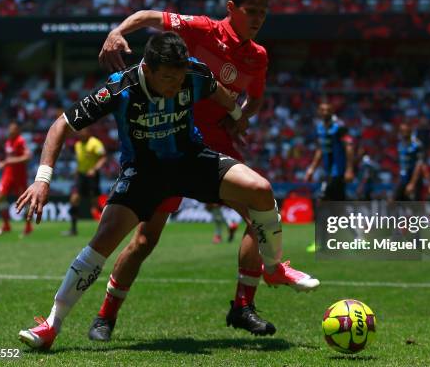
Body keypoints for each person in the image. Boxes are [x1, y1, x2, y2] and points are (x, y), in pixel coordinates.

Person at [16, 32, 319, 350]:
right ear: (147, 69)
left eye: (179, 78)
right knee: (104, 241)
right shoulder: (120, 88)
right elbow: (60, 125)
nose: (176, 85)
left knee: (260, 189)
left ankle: (272, 268)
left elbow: (219, 92)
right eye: (168, 79)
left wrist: (237, 117)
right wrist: (43, 179)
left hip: (191, 160)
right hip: (144, 173)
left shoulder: (194, 73)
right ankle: (52, 324)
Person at [90, 0, 316, 341]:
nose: (259, 18)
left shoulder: (257, 56)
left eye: (263, 12)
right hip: (172, 142)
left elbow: (254, 100)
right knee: (145, 241)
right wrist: (117, 31)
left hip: (218, 147)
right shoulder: (201, 29)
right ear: (231, 8)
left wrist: (240, 116)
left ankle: (243, 307)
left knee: (260, 215)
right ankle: (106, 316)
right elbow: (148, 16)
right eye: (251, 11)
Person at [304, 100, 355, 252]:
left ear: (332, 111)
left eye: (328, 110)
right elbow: (321, 149)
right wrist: (312, 168)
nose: (325, 112)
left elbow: (349, 147)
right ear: (319, 112)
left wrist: (349, 169)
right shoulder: (320, 127)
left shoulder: (339, 127)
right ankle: (358, 237)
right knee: (340, 208)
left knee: (321, 202)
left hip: (337, 173)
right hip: (328, 172)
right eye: (322, 110)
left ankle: (321, 242)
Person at [64, 128, 107, 236]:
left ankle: (105, 229)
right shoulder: (77, 145)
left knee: (95, 204)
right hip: (81, 176)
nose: (81, 134)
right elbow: (81, 160)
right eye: (80, 132)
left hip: (92, 176)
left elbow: (103, 158)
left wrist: (94, 169)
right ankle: (73, 229)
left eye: (83, 131)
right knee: (74, 199)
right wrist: (76, 171)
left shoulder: (95, 143)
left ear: (88, 132)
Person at [0, 122, 33, 236]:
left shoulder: (21, 141)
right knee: (0, 196)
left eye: (14, 129)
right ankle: (6, 225)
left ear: (18, 131)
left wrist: (8, 161)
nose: (11, 131)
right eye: (10, 129)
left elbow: (27, 156)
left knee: (24, 202)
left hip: (19, 176)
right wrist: (6, 162)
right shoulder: (8, 142)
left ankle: (28, 227)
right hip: (7, 174)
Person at [393, 123, 430, 202]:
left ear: (410, 131)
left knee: (415, 206)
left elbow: (420, 165)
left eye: (405, 131)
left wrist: (412, 183)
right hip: (402, 179)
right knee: (394, 202)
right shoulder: (400, 144)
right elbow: (401, 164)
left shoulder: (416, 145)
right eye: (401, 131)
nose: (403, 133)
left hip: (414, 180)